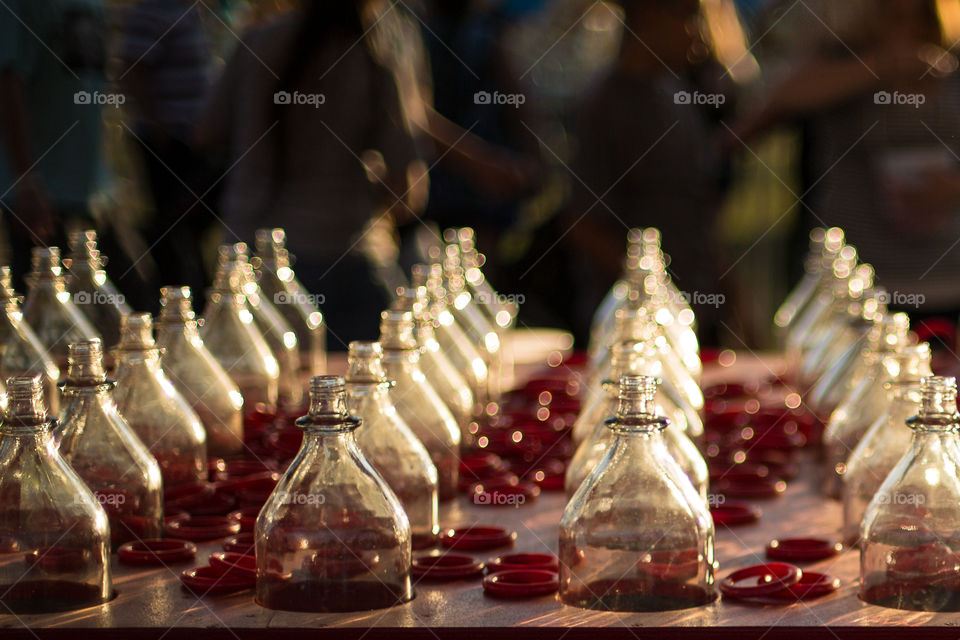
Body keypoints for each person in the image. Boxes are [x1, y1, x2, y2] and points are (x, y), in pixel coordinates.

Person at [733, 0, 960, 365]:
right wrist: (878, 67)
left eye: (912, 16)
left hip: (945, 277)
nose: (901, 27)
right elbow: (782, 98)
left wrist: (950, 189)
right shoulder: (838, 59)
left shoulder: (952, 68)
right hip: (859, 282)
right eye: (891, 15)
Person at [196, 0, 424, 347]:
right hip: (344, 262)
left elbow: (205, 132)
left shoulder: (258, 41)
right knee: (360, 390)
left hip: (251, 262)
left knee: (262, 395)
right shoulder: (374, 54)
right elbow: (407, 195)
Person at [565, 0, 731, 345]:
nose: (699, 35)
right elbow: (582, 223)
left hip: (697, 319)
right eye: (688, 18)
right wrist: (655, 295)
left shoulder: (681, 97)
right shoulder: (603, 107)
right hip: (633, 335)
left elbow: (699, 212)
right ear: (651, 15)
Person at [0, 0, 107, 290]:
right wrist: (26, 180)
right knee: (42, 309)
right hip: (40, 193)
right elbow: (8, 79)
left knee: (104, 308)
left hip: (87, 191)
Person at [117, 0, 216, 313]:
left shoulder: (187, 10)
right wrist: (158, 126)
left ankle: (191, 297)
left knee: (192, 221)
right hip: (168, 143)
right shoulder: (151, 11)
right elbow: (132, 69)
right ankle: (172, 302)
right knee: (172, 227)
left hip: (191, 141)